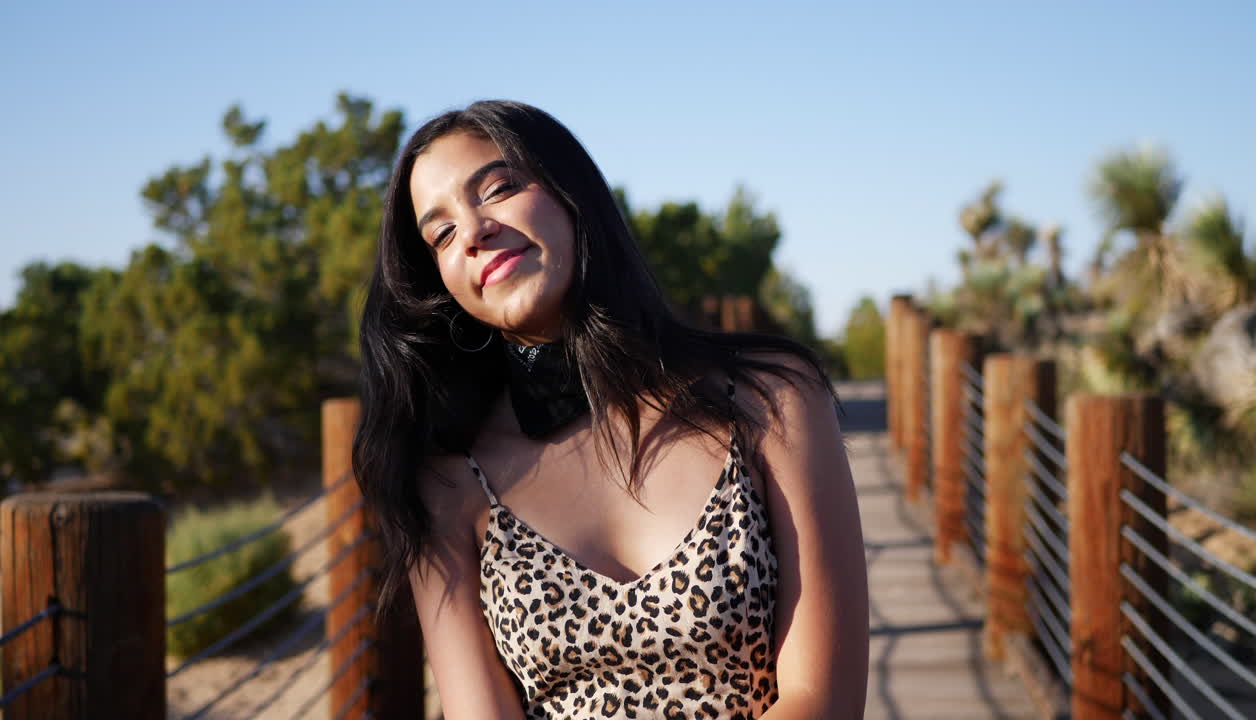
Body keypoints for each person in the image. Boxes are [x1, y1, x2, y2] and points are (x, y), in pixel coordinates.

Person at [354, 100, 869, 719]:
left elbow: (822, 698)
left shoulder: (773, 399)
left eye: (498, 189)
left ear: (573, 195)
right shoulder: (447, 480)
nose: (472, 231)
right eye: (440, 233)